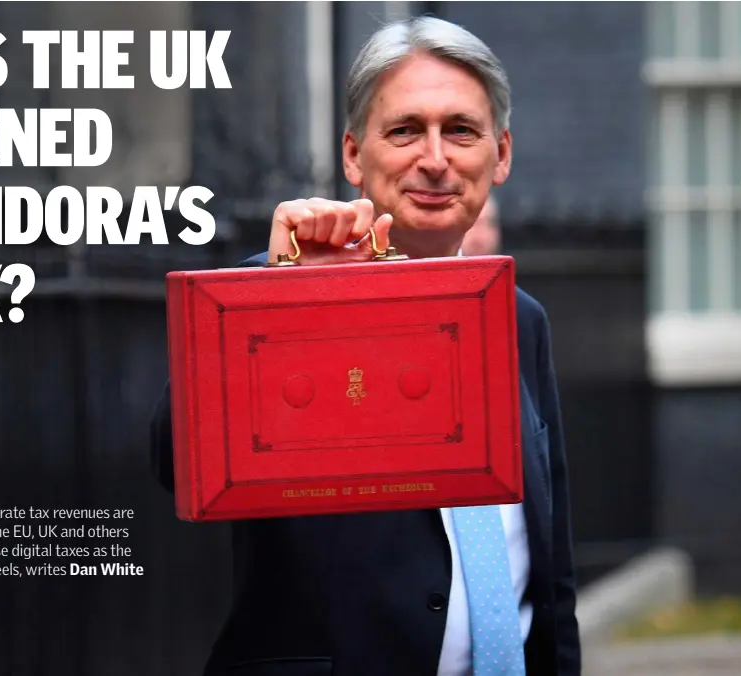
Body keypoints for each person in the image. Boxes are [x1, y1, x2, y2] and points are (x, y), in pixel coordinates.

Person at [151, 16, 580, 676]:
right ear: (354, 154)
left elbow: (549, 570)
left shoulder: (524, 321)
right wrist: (289, 301)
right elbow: (178, 462)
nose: (434, 159)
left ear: (501, 155)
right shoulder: (275, 292)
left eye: (460, 131)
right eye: (405, 130)